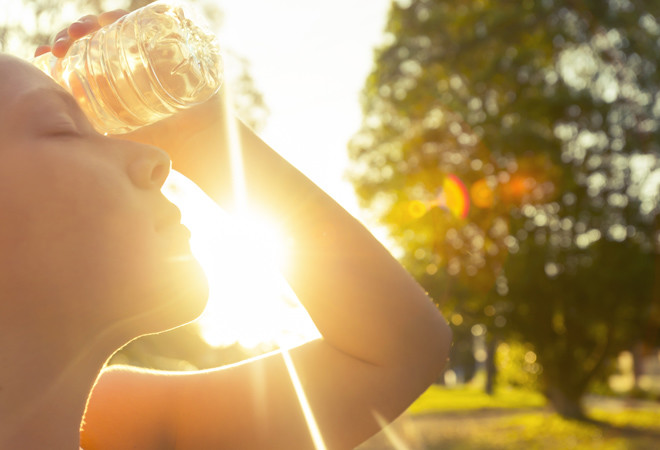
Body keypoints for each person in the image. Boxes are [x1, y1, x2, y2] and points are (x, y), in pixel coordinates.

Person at [0, 9, 452, 450]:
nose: (158, 162)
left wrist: (204, 136)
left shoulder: (113, 426)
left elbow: (402, 348)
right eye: (62, 129)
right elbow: (397, 354)